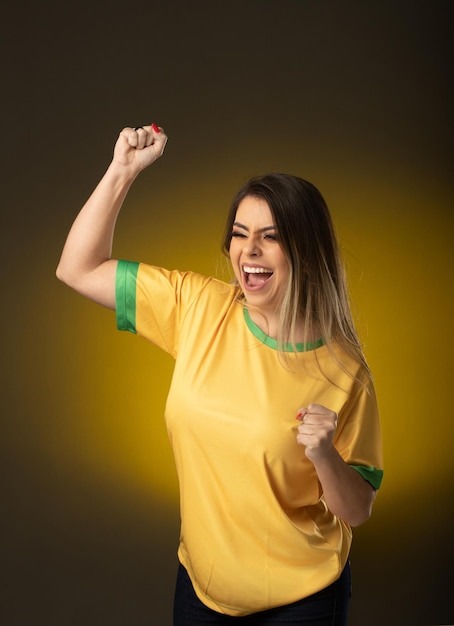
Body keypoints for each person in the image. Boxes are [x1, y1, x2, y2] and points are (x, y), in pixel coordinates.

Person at [56, 123, 383, 625]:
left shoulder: (344, 371)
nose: (248, 251)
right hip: (201, 590)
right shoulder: (196, 306)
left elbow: (356, 509)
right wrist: (121, 171)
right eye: (239, 234)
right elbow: (77, 267)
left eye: (270, 238)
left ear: (307, 251)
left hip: (303, 598)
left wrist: (323, 456)